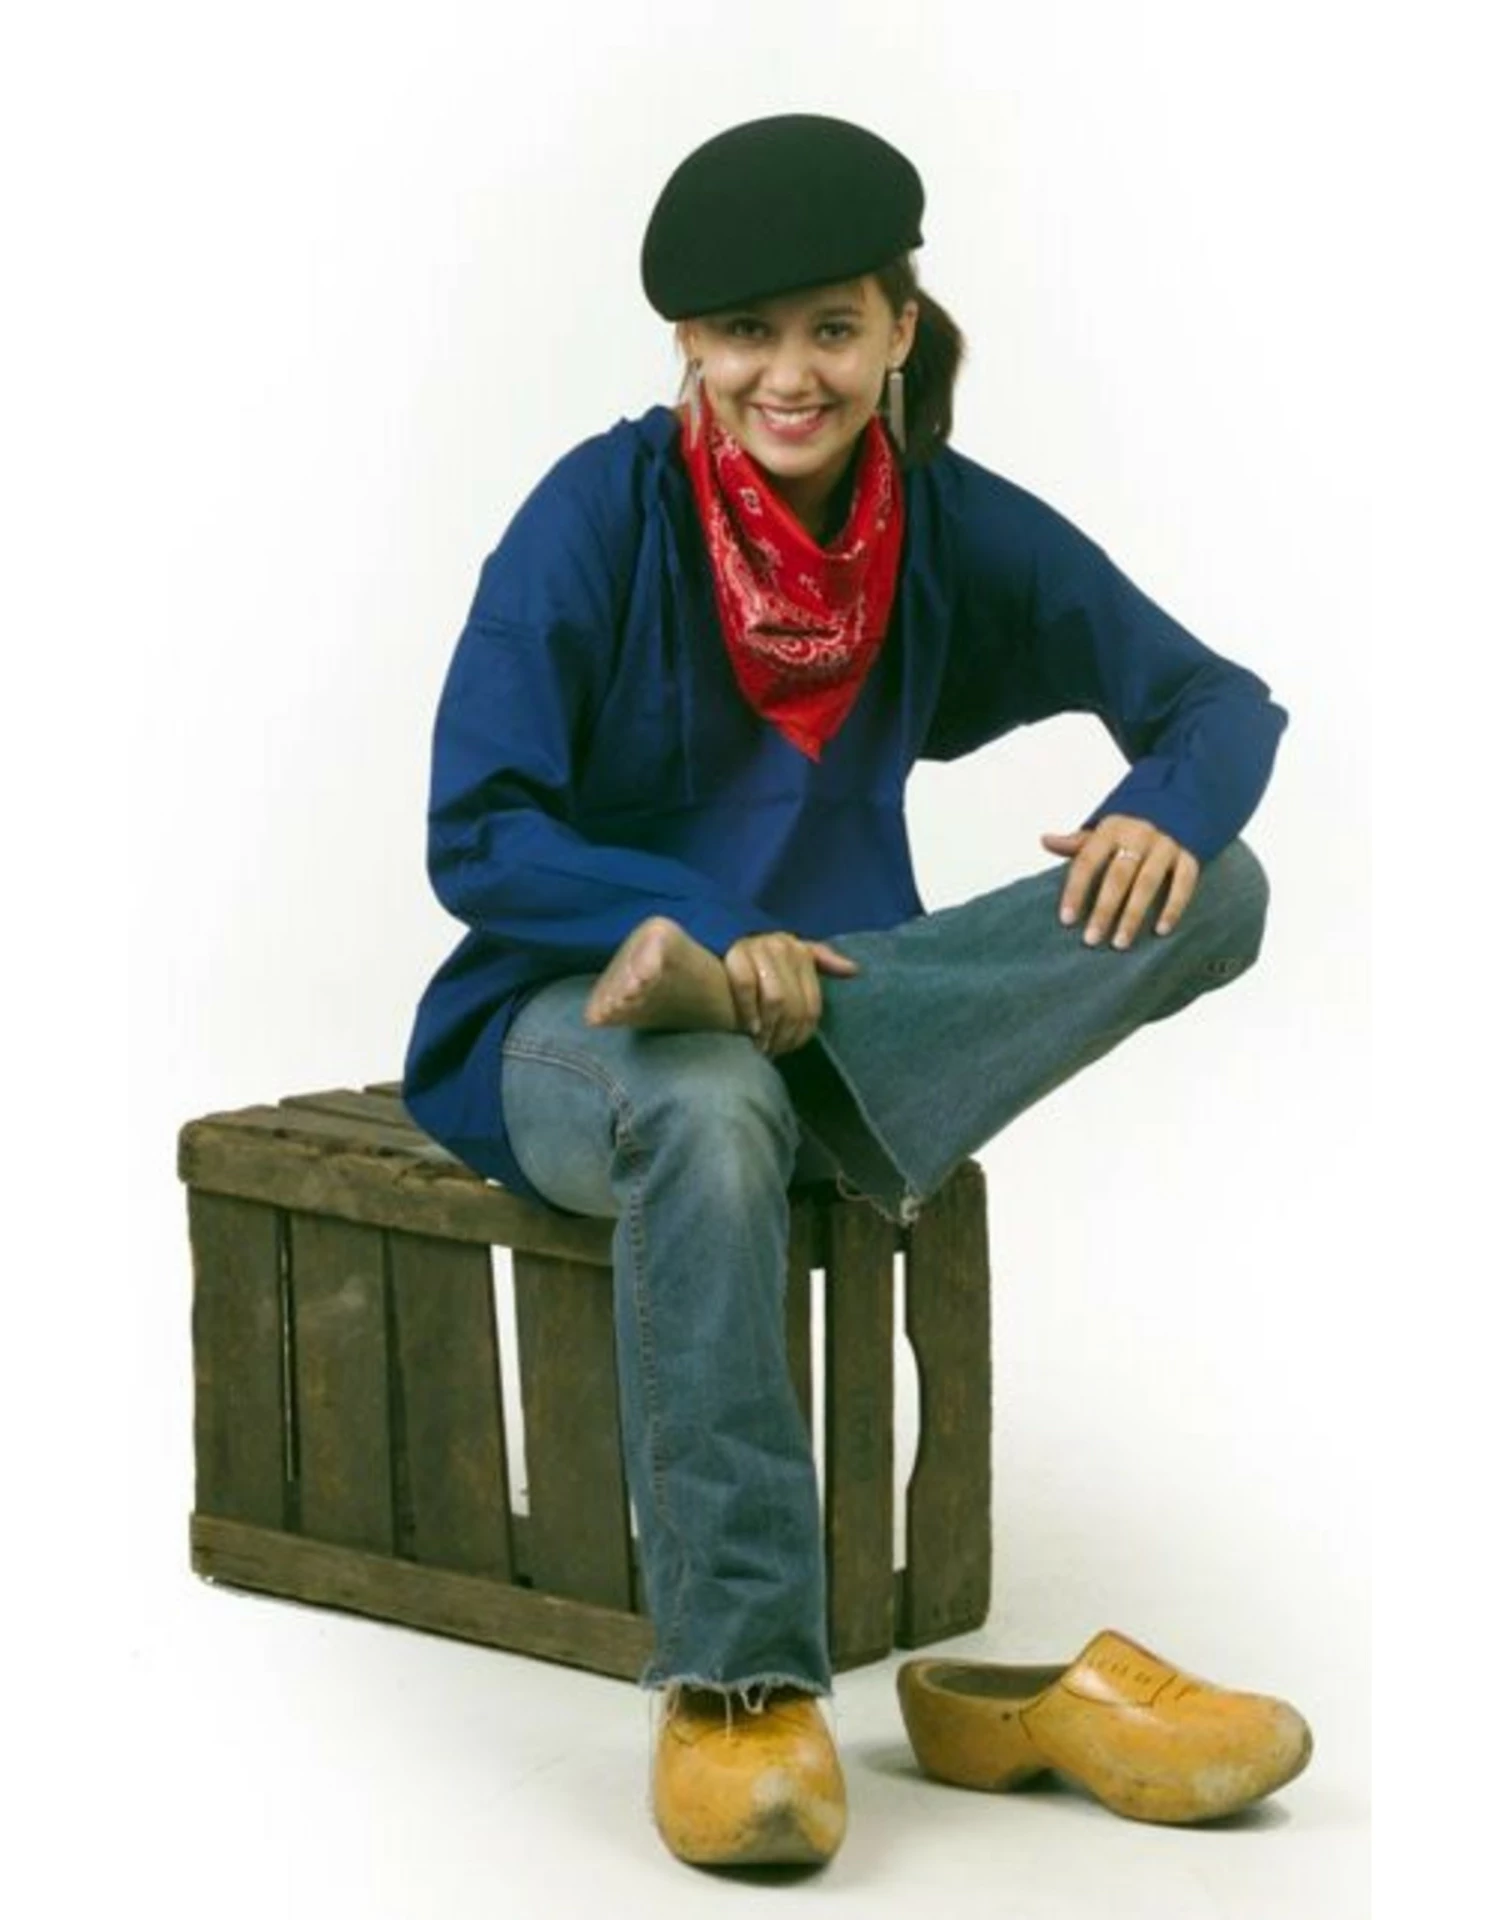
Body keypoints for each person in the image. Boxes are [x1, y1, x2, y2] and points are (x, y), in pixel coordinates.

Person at [403, 114, 1308, 1869]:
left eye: (831, 327)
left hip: (844, 1020)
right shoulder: (595, 514)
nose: (789, 374)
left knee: (1224, 883)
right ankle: (737, 1686)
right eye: (746, 333)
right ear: (689, 343)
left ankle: (790, 1013)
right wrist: (691, 918)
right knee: (706, 1098)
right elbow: (477, 830)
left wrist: (1164, 806)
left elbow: (1220, 700)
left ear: (900, 325)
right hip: (570, 1031)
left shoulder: (942, 526)